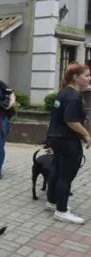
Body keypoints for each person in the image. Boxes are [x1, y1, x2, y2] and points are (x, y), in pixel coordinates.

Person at [45, 63, 91, 224]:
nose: (89, 79)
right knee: (66, 175)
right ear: (75, 77)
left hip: (55, 138)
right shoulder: (72, 96)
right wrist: (86, 135)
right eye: (86, 75)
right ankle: (61, 211)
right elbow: (71, 120)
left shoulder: (63, 93)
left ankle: (52, 201)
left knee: (56, 170)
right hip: (66, 140)